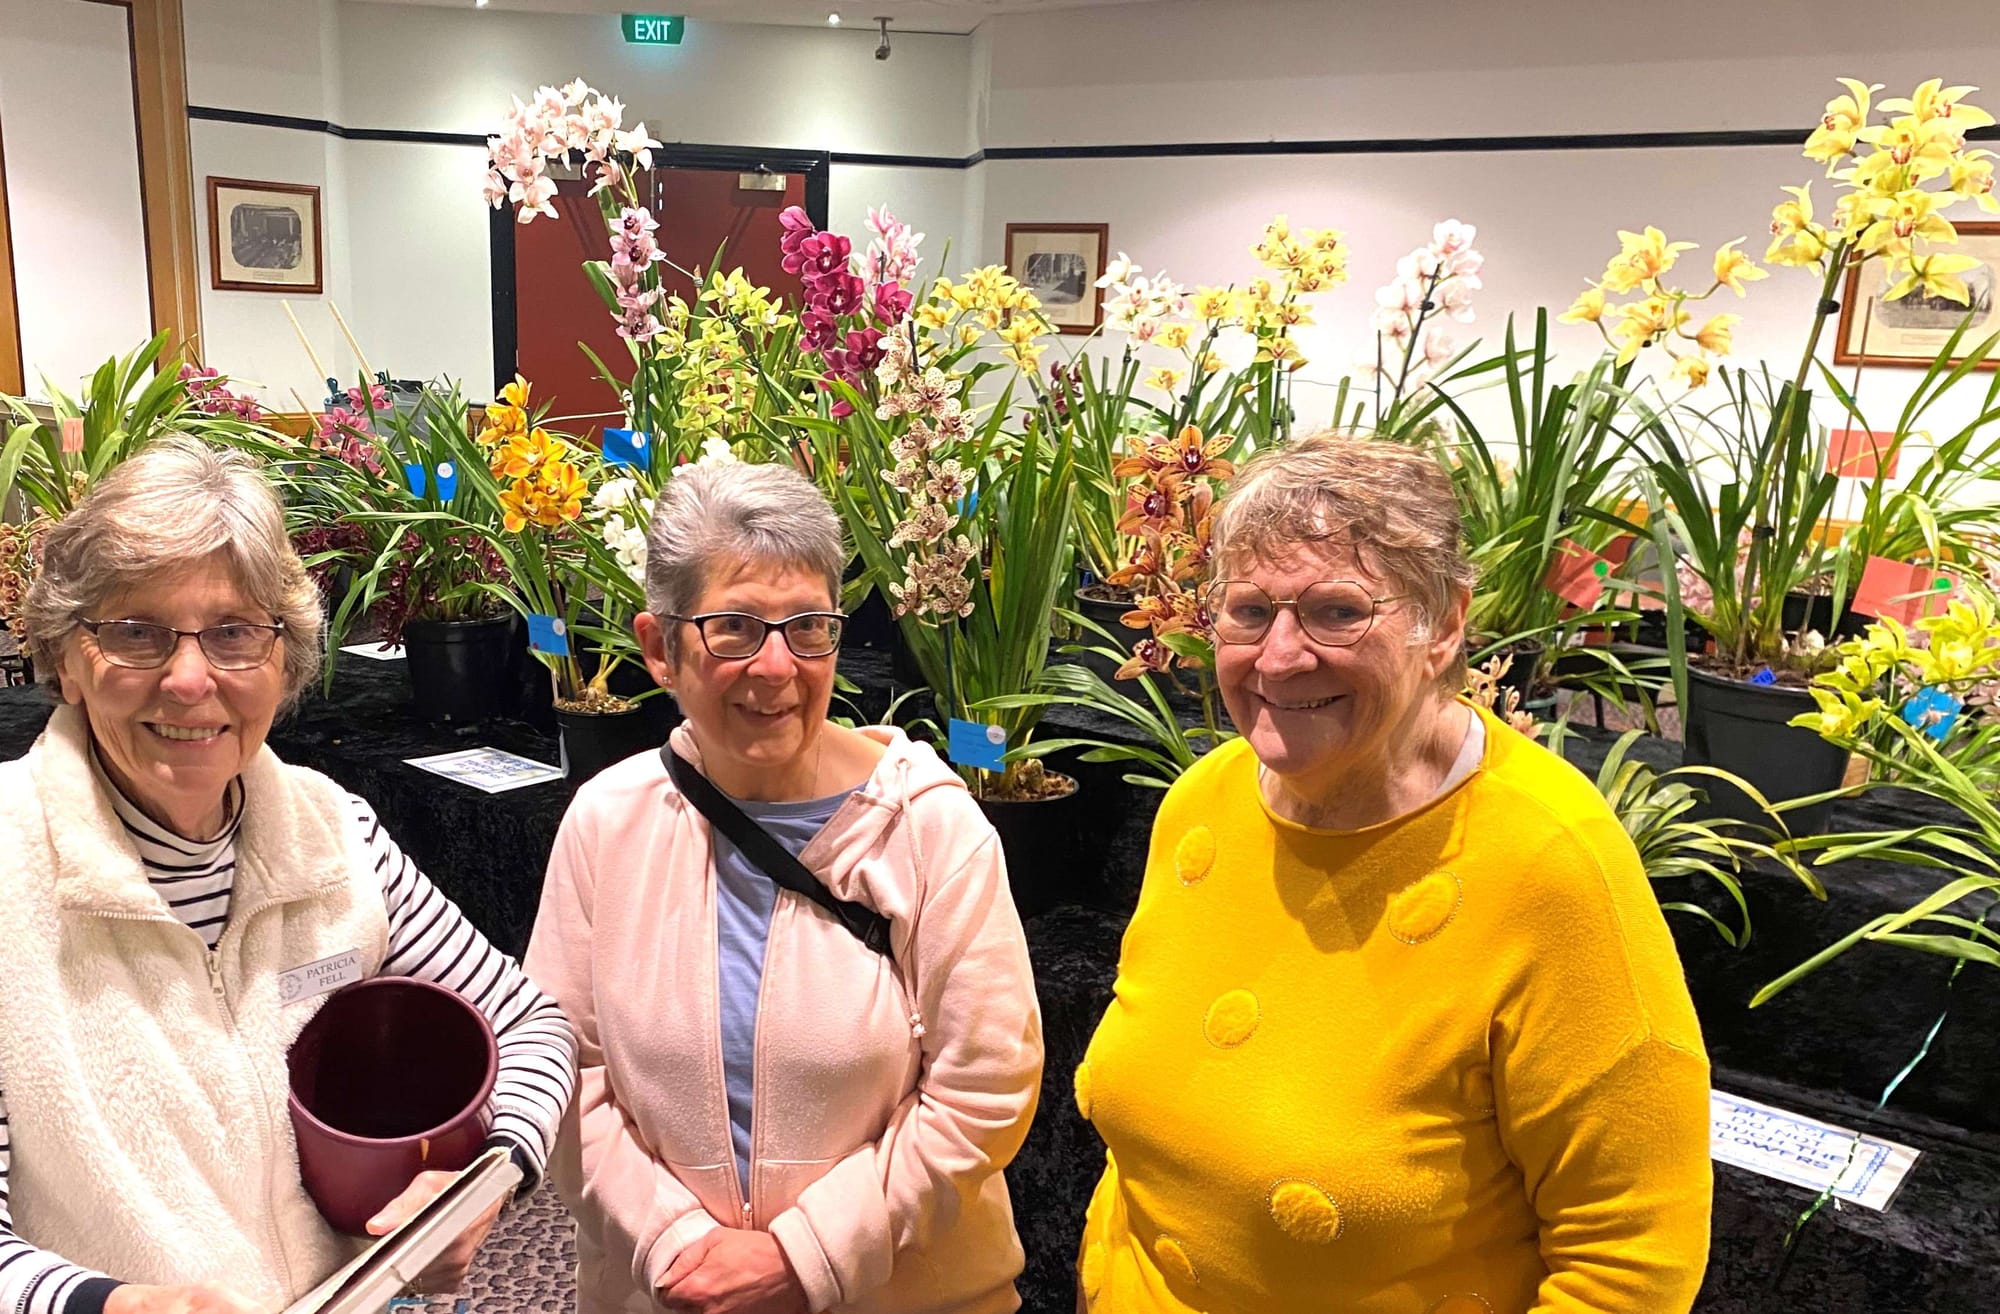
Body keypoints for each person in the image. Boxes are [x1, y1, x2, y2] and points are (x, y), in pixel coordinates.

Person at [1073, 432, 1712, 1313]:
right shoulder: (1202, 805)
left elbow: (1631, 1260)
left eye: (1337, 611)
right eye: (1249, 610)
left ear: (1444, 622)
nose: (1281, 656)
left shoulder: (1548, 864)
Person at [0, 436, 577, 1314]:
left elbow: (531, 1021)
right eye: (135, 633)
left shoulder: (330, 831)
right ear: (67, 661)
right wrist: (115, 1305)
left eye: (233, 633)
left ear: (284, 659)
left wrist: (482, 1181)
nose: (190, 679)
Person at [527, 457, 1042, 1314]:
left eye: (809, 628)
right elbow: (562, 1069)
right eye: (733, 628)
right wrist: (673, 1241)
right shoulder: (607, 823)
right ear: (659, 647)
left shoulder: (928, 830)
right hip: (667, 1292)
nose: (777, 667)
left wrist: (806, 1257)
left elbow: (985, 1088)